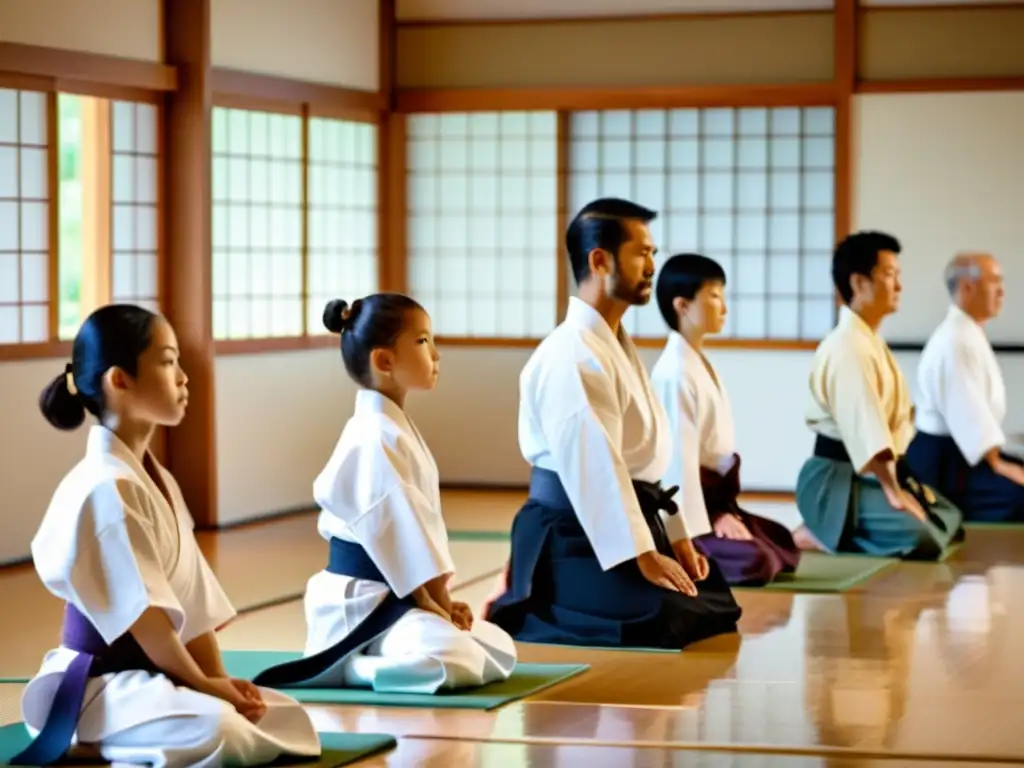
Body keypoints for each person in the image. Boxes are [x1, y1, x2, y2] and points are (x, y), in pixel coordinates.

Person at [14, 305, 321, 768]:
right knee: (221, 731)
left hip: (155, 680)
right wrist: (205, 686)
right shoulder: (105, 486)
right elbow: (149, 622)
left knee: (278, 716)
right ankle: (92, 739)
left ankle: (147, 732)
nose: (183, 377)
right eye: (168, 361)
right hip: (99, 684)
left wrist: (219, 679)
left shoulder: (157, 480)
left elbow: (191, 606)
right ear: (120, 381)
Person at [483, 198, 742, 650]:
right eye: (641, 253)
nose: (651, 266)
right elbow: (595, 467)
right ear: (600, 260)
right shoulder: (572, 353)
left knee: (711, 596)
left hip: (628, 514)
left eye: (652, 254)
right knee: (666, 616)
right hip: (571, 529)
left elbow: (651, 461)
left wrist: (676, 538)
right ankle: (522, 599)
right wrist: (643, 553)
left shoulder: (614, 342)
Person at [251, 295, 517, 694]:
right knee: (454, 657)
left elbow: (408, 536)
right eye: (423, 341)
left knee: (497, 645)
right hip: (363, 606)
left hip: (399, 595)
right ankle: (354, 666)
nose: (436, 354)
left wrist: (440, 601)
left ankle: (377, 656)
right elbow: (399, 536)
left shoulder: (391, 428)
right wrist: (436, 603)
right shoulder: (374, 436)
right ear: (384, 361)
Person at [794, 231, 964, 560]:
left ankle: (834, 531)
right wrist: (895, 493)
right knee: (924, 536)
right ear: (859, 283)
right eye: (889, 275)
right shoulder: (848, 346)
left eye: (898, 276)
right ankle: (821, 530)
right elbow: (869, 434)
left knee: (950, 519)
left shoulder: (867, 339)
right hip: (838, 481)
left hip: (872, 473)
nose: (898, 285)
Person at [650, 253, 801, 585]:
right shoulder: (673, 373)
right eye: (714, 296)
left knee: (780, 540)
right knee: (757, 560)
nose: (724, 307)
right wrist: (706, 522)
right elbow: (678, 466)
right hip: (690, 511)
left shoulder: (695, 362)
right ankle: (680, 550)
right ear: (682, 306)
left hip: (715, 501)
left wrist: (726, 512)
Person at [905, 252, 1024, 522]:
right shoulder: (955, 340)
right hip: (947, 465)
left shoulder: (968, 332)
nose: (1002, 290)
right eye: (994, 281)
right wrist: (1002, 466)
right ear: (968, 288)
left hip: (965, 456)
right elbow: (970, 423)